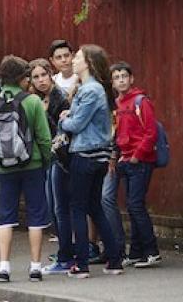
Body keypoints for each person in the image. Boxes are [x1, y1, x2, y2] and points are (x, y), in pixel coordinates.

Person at [0, 55, 52, 283]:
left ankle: (4, 267)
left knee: (6, 217)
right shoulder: (32, 102)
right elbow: (44, 138)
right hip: (33, 165)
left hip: (5, 168)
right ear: (22, 78)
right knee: (35, 216)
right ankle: (35, 267)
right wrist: (45, 160)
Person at [58, 44, 124, 278]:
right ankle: (115, 260)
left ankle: (82, 264)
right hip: (100, 156)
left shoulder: (90, 90)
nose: (73, 61)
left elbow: (76, 125)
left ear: (88, 63)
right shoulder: (94, 89)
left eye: (76, 57)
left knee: (77, 207)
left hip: (85, 154)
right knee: (95, 207)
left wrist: (63, 119)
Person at [109, 61, 162, 268]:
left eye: (124, 76)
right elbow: (119, 133)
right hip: (126, 160)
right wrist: (121, 155)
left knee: (136, 205)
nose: (121, 80)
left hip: (140, 161)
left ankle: (152, 251)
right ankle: (137, 252)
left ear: (131, 79)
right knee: (132, 207)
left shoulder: (141, 101)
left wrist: (137, 155)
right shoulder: (119, 104)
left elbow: (151, 133)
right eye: (117, 77)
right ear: (113, 82)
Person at [29, 58, 76, 275]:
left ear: (50, 75)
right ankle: (65, 252)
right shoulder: (37, 99)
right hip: (48, 161)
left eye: (43, 75)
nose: (41, 81)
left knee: (61, 209)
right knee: (54, 209)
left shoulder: (59, 99)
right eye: (36, 77)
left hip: (62, 160)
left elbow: (63, 132)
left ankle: (66, 256)